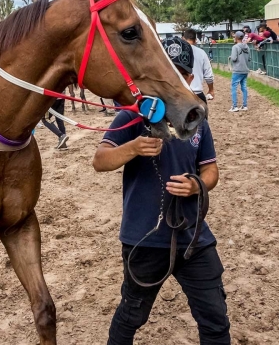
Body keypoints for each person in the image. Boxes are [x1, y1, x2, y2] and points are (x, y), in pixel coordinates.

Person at [93, 37, 230, 345]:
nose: (171, 82)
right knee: (130, 316)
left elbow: (211, 171)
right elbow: (100, 161)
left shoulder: (198, 120)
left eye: (180, 74)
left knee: (215, 318)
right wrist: (132, 148)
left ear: (190, 78)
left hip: (193, 236)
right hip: (145, 237)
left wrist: (198, 184)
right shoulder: (131, 115)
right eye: (165, 73)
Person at [183, 28, 214, 103]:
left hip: (182, 94)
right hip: (197, 93)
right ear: (195, 40)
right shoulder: (201, 53)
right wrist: (211, 90)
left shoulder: (177, 53)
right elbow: (209, 75)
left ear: (183, 38)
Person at [229, 31, 249, 112]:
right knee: (244, 87)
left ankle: (234, 106)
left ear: (236, 38)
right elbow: (249, 58)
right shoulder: (247, 47)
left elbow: (234, 58)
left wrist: (231, 57)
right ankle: (244, 105)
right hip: (245, 70)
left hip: (237, 70)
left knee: (234, 87)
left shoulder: (235, 47)